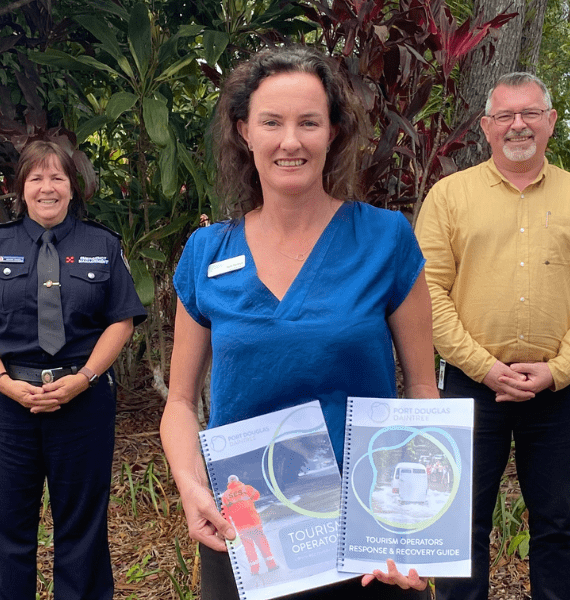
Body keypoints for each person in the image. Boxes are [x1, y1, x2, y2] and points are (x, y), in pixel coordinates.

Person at [159, 46, 439, 600]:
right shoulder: (207, 253)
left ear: (333, 131)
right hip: (245, 528)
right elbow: (179, 403)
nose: (291, 141)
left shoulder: (385, 240)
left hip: (367, 530)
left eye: (308, 122)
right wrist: (191, 487)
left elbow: (423, 388)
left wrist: (419, 523)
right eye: (272, 122)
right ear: (244, 132)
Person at [414, 72, 570, 600]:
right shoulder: (449, 197)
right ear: (486, 126)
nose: (518, 125)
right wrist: (485, 367)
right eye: (505, 115)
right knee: (461, 527)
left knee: (557, 525)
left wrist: (557, 369)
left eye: (530, 113)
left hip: (558, 390)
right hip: (470, 387)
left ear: (550, 122)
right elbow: (427, 295)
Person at [0, 139, 147, 600]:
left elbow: (121, 320)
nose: (47, 188)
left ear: (72, 187)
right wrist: (3, 382)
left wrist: (82, 380)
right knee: (5, 523)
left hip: (83, 401)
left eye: (57, 177)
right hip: (6, 405)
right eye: (36, 178)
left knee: (82, 525)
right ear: (20, 188)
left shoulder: (102, 244)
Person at [221, 475, 279, 575]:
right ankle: (271, 565)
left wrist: (229, 527)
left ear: (228, 483)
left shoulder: (225, 496)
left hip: (241, 526)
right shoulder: (246, 488)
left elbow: (225, 513)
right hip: (254, 522)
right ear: (238, 481)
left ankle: (254, 571)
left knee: (249, 548)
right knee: (262, 543)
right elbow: (257, 496)